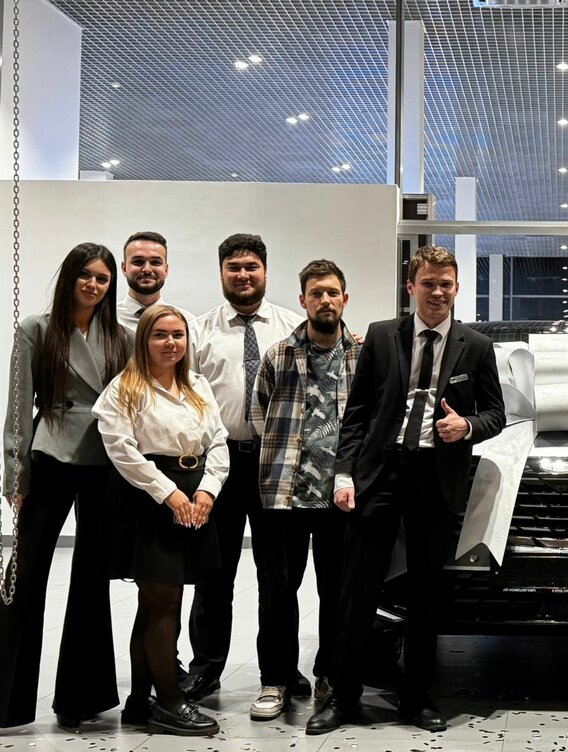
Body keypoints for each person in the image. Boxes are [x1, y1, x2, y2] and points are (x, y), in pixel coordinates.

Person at [306, 245, 506, 735]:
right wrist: (345, 474)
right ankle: (343, 696)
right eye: (428, 283)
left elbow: (496, 414)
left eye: (446, 284)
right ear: (412, 286)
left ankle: (416, 697)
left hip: (436, 478)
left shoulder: (477, 346)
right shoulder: (381, 335)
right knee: (357, 589)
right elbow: (357, 413)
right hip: (380, 473)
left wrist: (468, 426)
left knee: (425, 593)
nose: (438, 292)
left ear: (457, 288)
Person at [0, 243, 131, 729]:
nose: (93, 285)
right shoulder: (36, 329)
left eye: (102, 278)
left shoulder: (121, 337)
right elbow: (19, 406)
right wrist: (15, 474)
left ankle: (82, 699)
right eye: (85, 275)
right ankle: (7, 699)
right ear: (70, 278)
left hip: (105, 461)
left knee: (92, 579)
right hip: (50, 453)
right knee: (25, 572)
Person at [93, 304, 227, 736]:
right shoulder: (125, 387)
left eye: (178, 335)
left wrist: (208, 489)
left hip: (195, 493)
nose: (171, 343)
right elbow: (122, 450)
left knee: (158, 603)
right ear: (143, 340)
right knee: (163, 601)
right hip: (147, 500)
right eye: (160, 335)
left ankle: (139, 701)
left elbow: (218, 441)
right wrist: (168, 493)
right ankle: (169, 703)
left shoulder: (197, 385)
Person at [183, 233, 306, 701]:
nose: (243, 275)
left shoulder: (293, 328)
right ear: (221, 273)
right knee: (214, 575)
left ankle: (281, 670)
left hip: (278, 465)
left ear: (265, 272)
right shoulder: (198, 331)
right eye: (233, 267)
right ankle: (206, 668)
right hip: (220, 464)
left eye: (251, 266)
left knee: (279, 577)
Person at [247, 260, 361, 721]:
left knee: (337, 593)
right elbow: (259, 415)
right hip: (283, 496)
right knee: (277, 590)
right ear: (303, 301)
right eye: (316, 293)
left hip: (342, 498)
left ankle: (329, 674)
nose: (325, 300)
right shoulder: (278, 355)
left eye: (332, 292)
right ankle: (275, 680)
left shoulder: (364, 355)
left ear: (345, 299)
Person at [116, 231, 196, 332]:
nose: (147, 270)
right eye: (138, 262)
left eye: (155, 262)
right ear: (124, 268)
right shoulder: (104, 319)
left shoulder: (188, 323)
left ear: (166, 270)